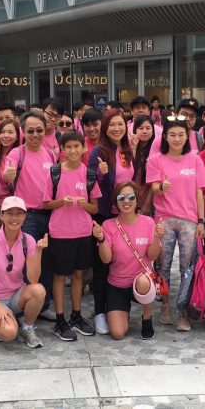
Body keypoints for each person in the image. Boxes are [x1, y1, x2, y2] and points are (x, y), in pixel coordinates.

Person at [147, 119, 205, 331]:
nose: (177, 138)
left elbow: (199, 192)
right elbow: (153, 188)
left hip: (190, 220)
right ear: (165, 136)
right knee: (163, 266)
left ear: (187, 136)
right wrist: (160, 187)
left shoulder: (195, 160)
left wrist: (201, 220)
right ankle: (164, 305)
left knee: (187, 267)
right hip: (164, 218)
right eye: (172, 134)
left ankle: (183, 310)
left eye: (181, 134)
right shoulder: (156, 160)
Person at [43, 131, 100, 340]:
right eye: (69, 147)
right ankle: (60, 319)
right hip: (59, 232)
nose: (73, 150)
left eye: (77, 146)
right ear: (63, 150)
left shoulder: (89, 175)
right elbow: (45, 203)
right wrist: (61, 202)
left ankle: (76, 316)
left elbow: (95, 208)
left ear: (84, 148)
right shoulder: (54, 172)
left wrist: (83, 204)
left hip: (83, 232)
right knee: (59, 275)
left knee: (78, 275)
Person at [2, 111, 57, 320]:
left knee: (47, 261)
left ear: (45, 130)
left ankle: (43, 305)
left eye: (39, 130)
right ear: (23, 132)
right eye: (30, 131)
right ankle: (22, 304)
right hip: (28, 217)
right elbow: (7, 173)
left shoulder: (51, 154)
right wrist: (8, 175)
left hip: (50, 214)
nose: (35, 134)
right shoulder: (17, 154)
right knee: (25, 263)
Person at [0, 196, 48, 348]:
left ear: (25, 216)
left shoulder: (28, 241)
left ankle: (27, 327)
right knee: (9, 334)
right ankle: (1, 321)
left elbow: (33, 280)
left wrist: (39, 252)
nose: (14, 218)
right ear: (1, 215)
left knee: (39, 291)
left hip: (16, 295)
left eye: (19, 213)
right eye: (10, 213)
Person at [92, 181, 162, 340]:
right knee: (117, 333)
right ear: (115, 202)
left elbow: (152, 256)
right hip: (117, 285)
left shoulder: (148, 222)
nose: (126, 201)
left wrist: (157, 236)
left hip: (140, 281)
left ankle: (147, 317)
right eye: (121, 197)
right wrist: (101, 239)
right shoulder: (108, 225)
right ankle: (124, 314)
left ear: (137, 200)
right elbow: (106, 259)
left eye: (131, 197)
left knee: (144, 282)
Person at [88, 109, 134, 334]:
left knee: (118, 262)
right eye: (112, 124)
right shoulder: (99, 151)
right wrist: (101, 174)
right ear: (105, 127)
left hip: (124, 215)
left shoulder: (126, 150)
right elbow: (90, 185)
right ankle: (99, 312)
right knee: (102, 265)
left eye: (121, 124)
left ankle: (116, 307)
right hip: (105, 216)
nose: (117, 128)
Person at [0, 119, 20, 228]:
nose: (6, 135)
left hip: (10, 207)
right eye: (3, 132)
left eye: (10, 132)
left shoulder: (20, 154)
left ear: (17, 136)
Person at [131, 115, 155, 215]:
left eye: (148, 128)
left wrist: (147, 204)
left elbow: (154, 182)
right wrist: (134, 148)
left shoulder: (156, 149)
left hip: (148, 201)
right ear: (135, 130)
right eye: (141, 128)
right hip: (130, 199)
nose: (144, 131)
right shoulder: (128, 147)